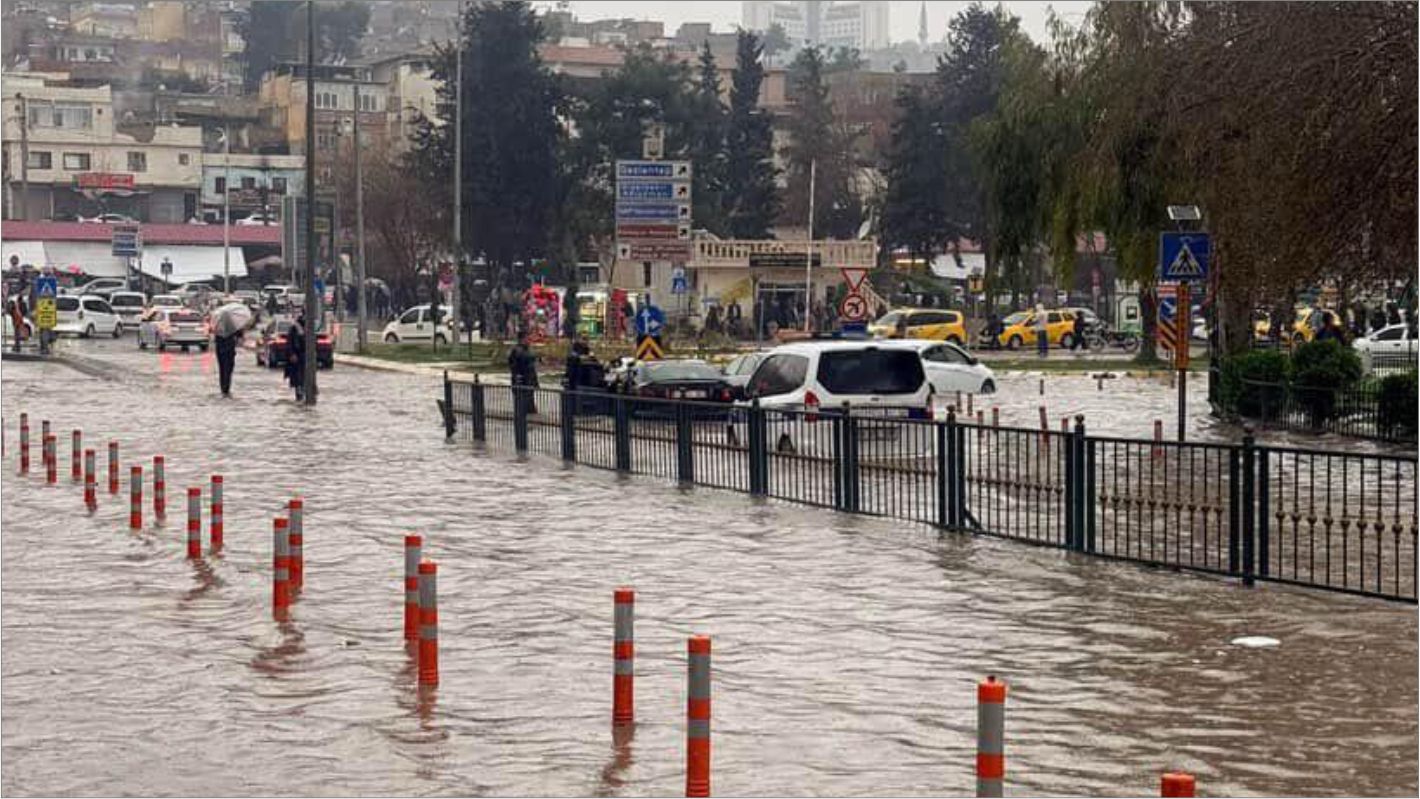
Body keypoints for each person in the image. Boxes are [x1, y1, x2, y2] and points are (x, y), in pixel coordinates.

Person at [508, 333, 539, 413]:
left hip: (529, 378)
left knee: (529, 395)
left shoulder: (528, 349)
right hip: (522, 378)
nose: (528, 340)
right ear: (521, 339)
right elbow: (513, 365)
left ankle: (529, 410)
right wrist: (517, 376)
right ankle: (522, 413)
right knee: (521, 396)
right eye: (526, 339)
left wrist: (535, 381)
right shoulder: (516, 350)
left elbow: (532, 366)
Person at [285, 312, 306, 402]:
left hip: (305, 357)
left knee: (304, 377)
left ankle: (303, 392)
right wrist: (292, 354)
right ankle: (299, 393)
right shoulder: (294, 329)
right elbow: (289, 343)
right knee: (298, 377)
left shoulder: (309, 329)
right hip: (297, 357)